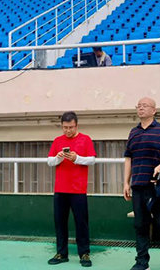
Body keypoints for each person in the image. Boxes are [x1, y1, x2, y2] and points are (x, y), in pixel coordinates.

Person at [124, 97, 160, 270]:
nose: (140, 108)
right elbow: (128, 158)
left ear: (154, 110)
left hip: (157, 187)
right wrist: (126, 182)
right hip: (138, 186)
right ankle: (142, 262)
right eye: (138, 106)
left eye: (144, 106)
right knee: (140, 226)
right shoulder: (133, 132)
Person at [47, 111, 97, 267]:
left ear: (76, 125)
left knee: (81, 222)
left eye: (71, 127)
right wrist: (59, 158)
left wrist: (77, 159)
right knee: (60, 222)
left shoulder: (85, 139)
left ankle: (84, 253)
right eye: (65, 127)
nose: (68, 130)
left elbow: (92, 160)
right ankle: (62, 253)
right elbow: (49, 161)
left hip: (78, 189)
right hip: (60, 189)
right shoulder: (57, 141)